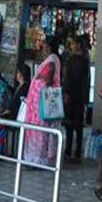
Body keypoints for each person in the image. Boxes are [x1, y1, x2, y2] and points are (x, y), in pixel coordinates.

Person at [22, 36, 63, 167]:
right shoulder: (52, 59)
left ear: (49, 46)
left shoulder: (52, 60)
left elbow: (48, 80)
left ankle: (39, 158)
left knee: (41, 131)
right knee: (39, 130)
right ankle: (34, 158)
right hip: (40, 102)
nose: (43, 47)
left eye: (45, 44)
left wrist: (38, 83)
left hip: (44, 101)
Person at [61, 33, 91, 163]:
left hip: (73, 97)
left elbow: (70, 80)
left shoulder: (74, 60)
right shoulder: (84, 60)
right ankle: (77, 152)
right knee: (78, 127)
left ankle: (69, 150)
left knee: (70, 125)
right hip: (80, 97)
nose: (71, 46)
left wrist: (66, 91)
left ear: (78, 45)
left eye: (72, 43)